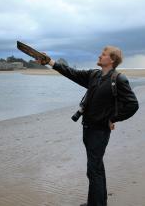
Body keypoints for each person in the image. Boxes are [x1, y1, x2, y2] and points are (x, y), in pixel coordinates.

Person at [36, 46, 139, 206]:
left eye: (103, 54)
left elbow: (132, 105)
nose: (99, 55)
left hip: (100, 132)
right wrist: (50, 61)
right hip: (87, 128)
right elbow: (71, 72)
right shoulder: (94, 75)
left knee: (93, 169)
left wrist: (113, 118)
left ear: (111, 60)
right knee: (96, 167)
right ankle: (97, 201)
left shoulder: (119, 79)